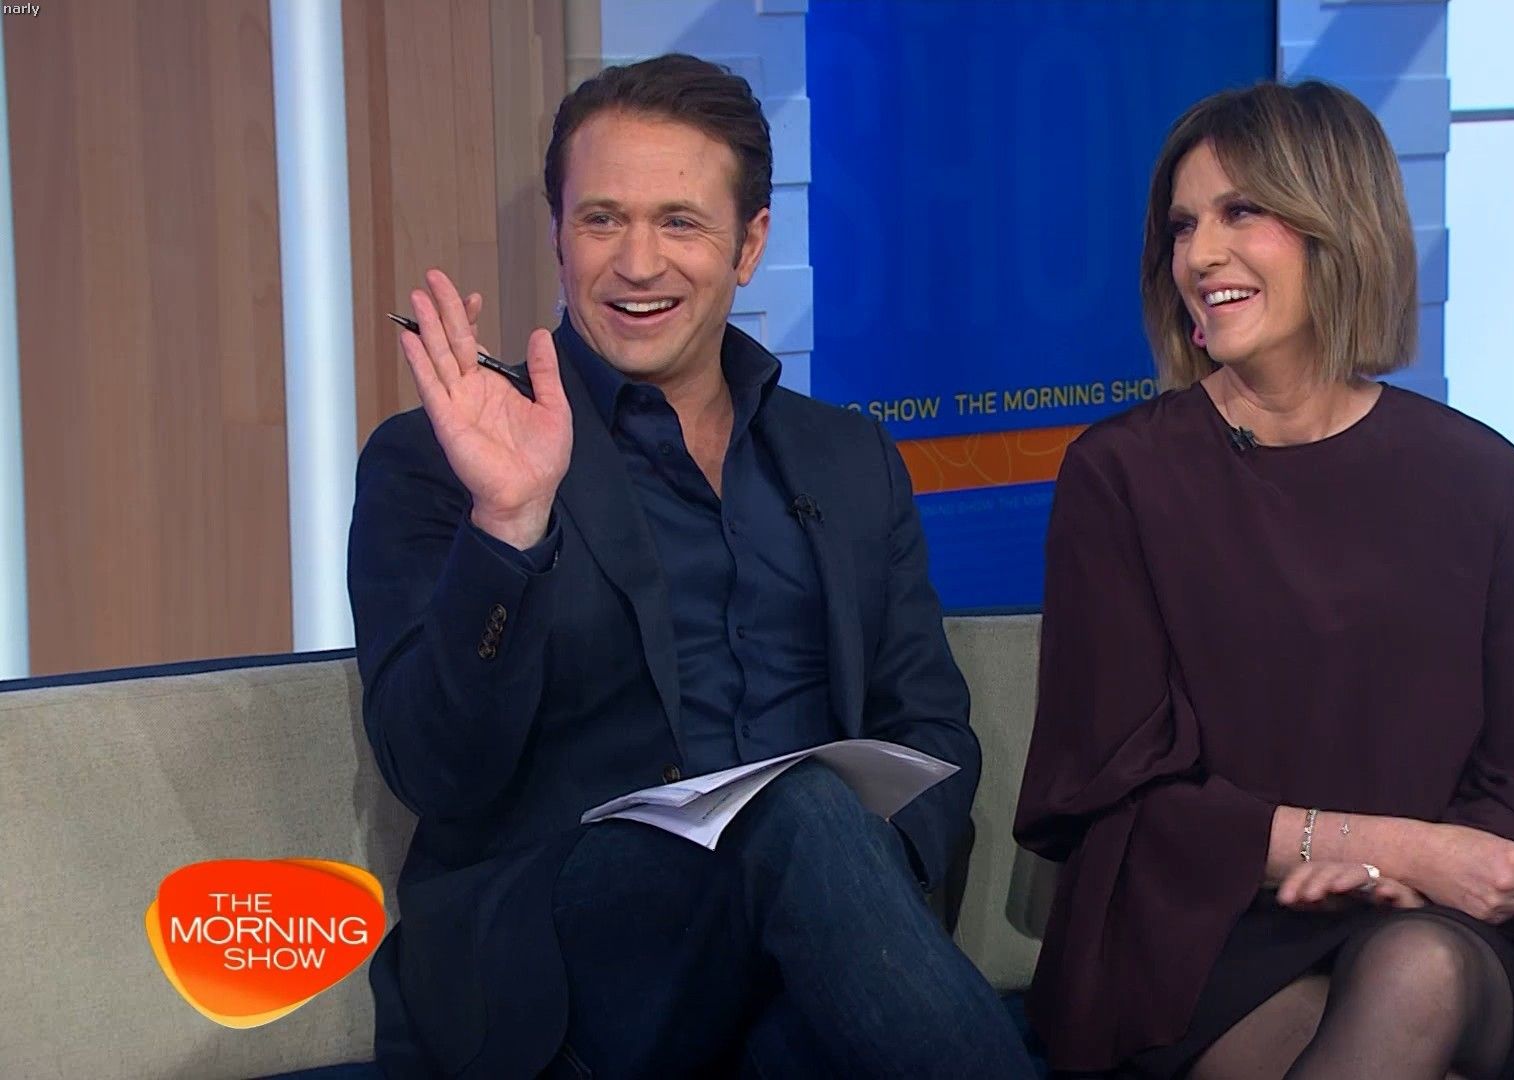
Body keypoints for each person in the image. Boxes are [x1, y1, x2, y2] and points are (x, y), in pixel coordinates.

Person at [348, 54, 1031, 1078]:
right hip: (568, 970)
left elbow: (929, 729)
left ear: (749, 245)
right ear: (557, 234)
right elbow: (435, 771)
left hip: (799, 950)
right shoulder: (438, 460)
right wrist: (508, 526)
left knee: (814, 967)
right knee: (795, 811)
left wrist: (856, 891)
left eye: (680, 222)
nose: (637, 263)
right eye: (602, 220)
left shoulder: (846, 459)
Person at [1013, 80, 1514, 1080]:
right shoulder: (1120, 476)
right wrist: (1382, 847)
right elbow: (1116, 792)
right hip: (1204, 926)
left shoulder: (1481, 477)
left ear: (1339, 226)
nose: (1201, 255)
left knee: (1417, 973)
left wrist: (1411, 872)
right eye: (1182, 226)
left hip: (1440, 919)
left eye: (1241, 212)